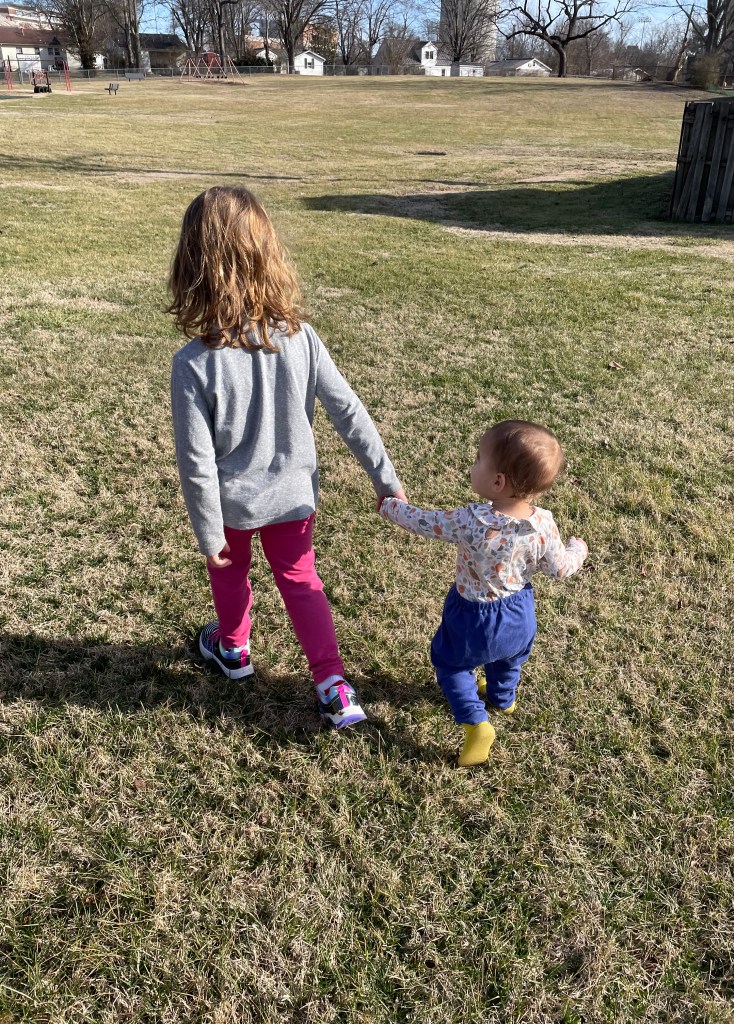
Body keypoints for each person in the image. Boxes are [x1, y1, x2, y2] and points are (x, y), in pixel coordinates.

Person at [168, 185, 406, 728]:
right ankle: (333, 683)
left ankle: (233, 649)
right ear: (269, 256)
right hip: (295, 498)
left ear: (193, 265)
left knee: (230, 572)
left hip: (232, 508)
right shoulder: (301, 338)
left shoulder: (193, 363)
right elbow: (351, 412)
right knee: (301, 580)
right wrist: (385, 478)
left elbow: (197, 464)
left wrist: (208, 535)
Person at [379, 420, 587, 766]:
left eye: (478, 460)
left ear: (497, 481)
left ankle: (476, 723)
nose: (472, 465)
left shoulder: (471, 519)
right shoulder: (544, 525)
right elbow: (560, 568)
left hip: (473, 616)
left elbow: (423, 521)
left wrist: (389, 506)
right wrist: (577, 549)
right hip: (520, 615)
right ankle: (504, 699)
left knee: (451, 665)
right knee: (509, 659)